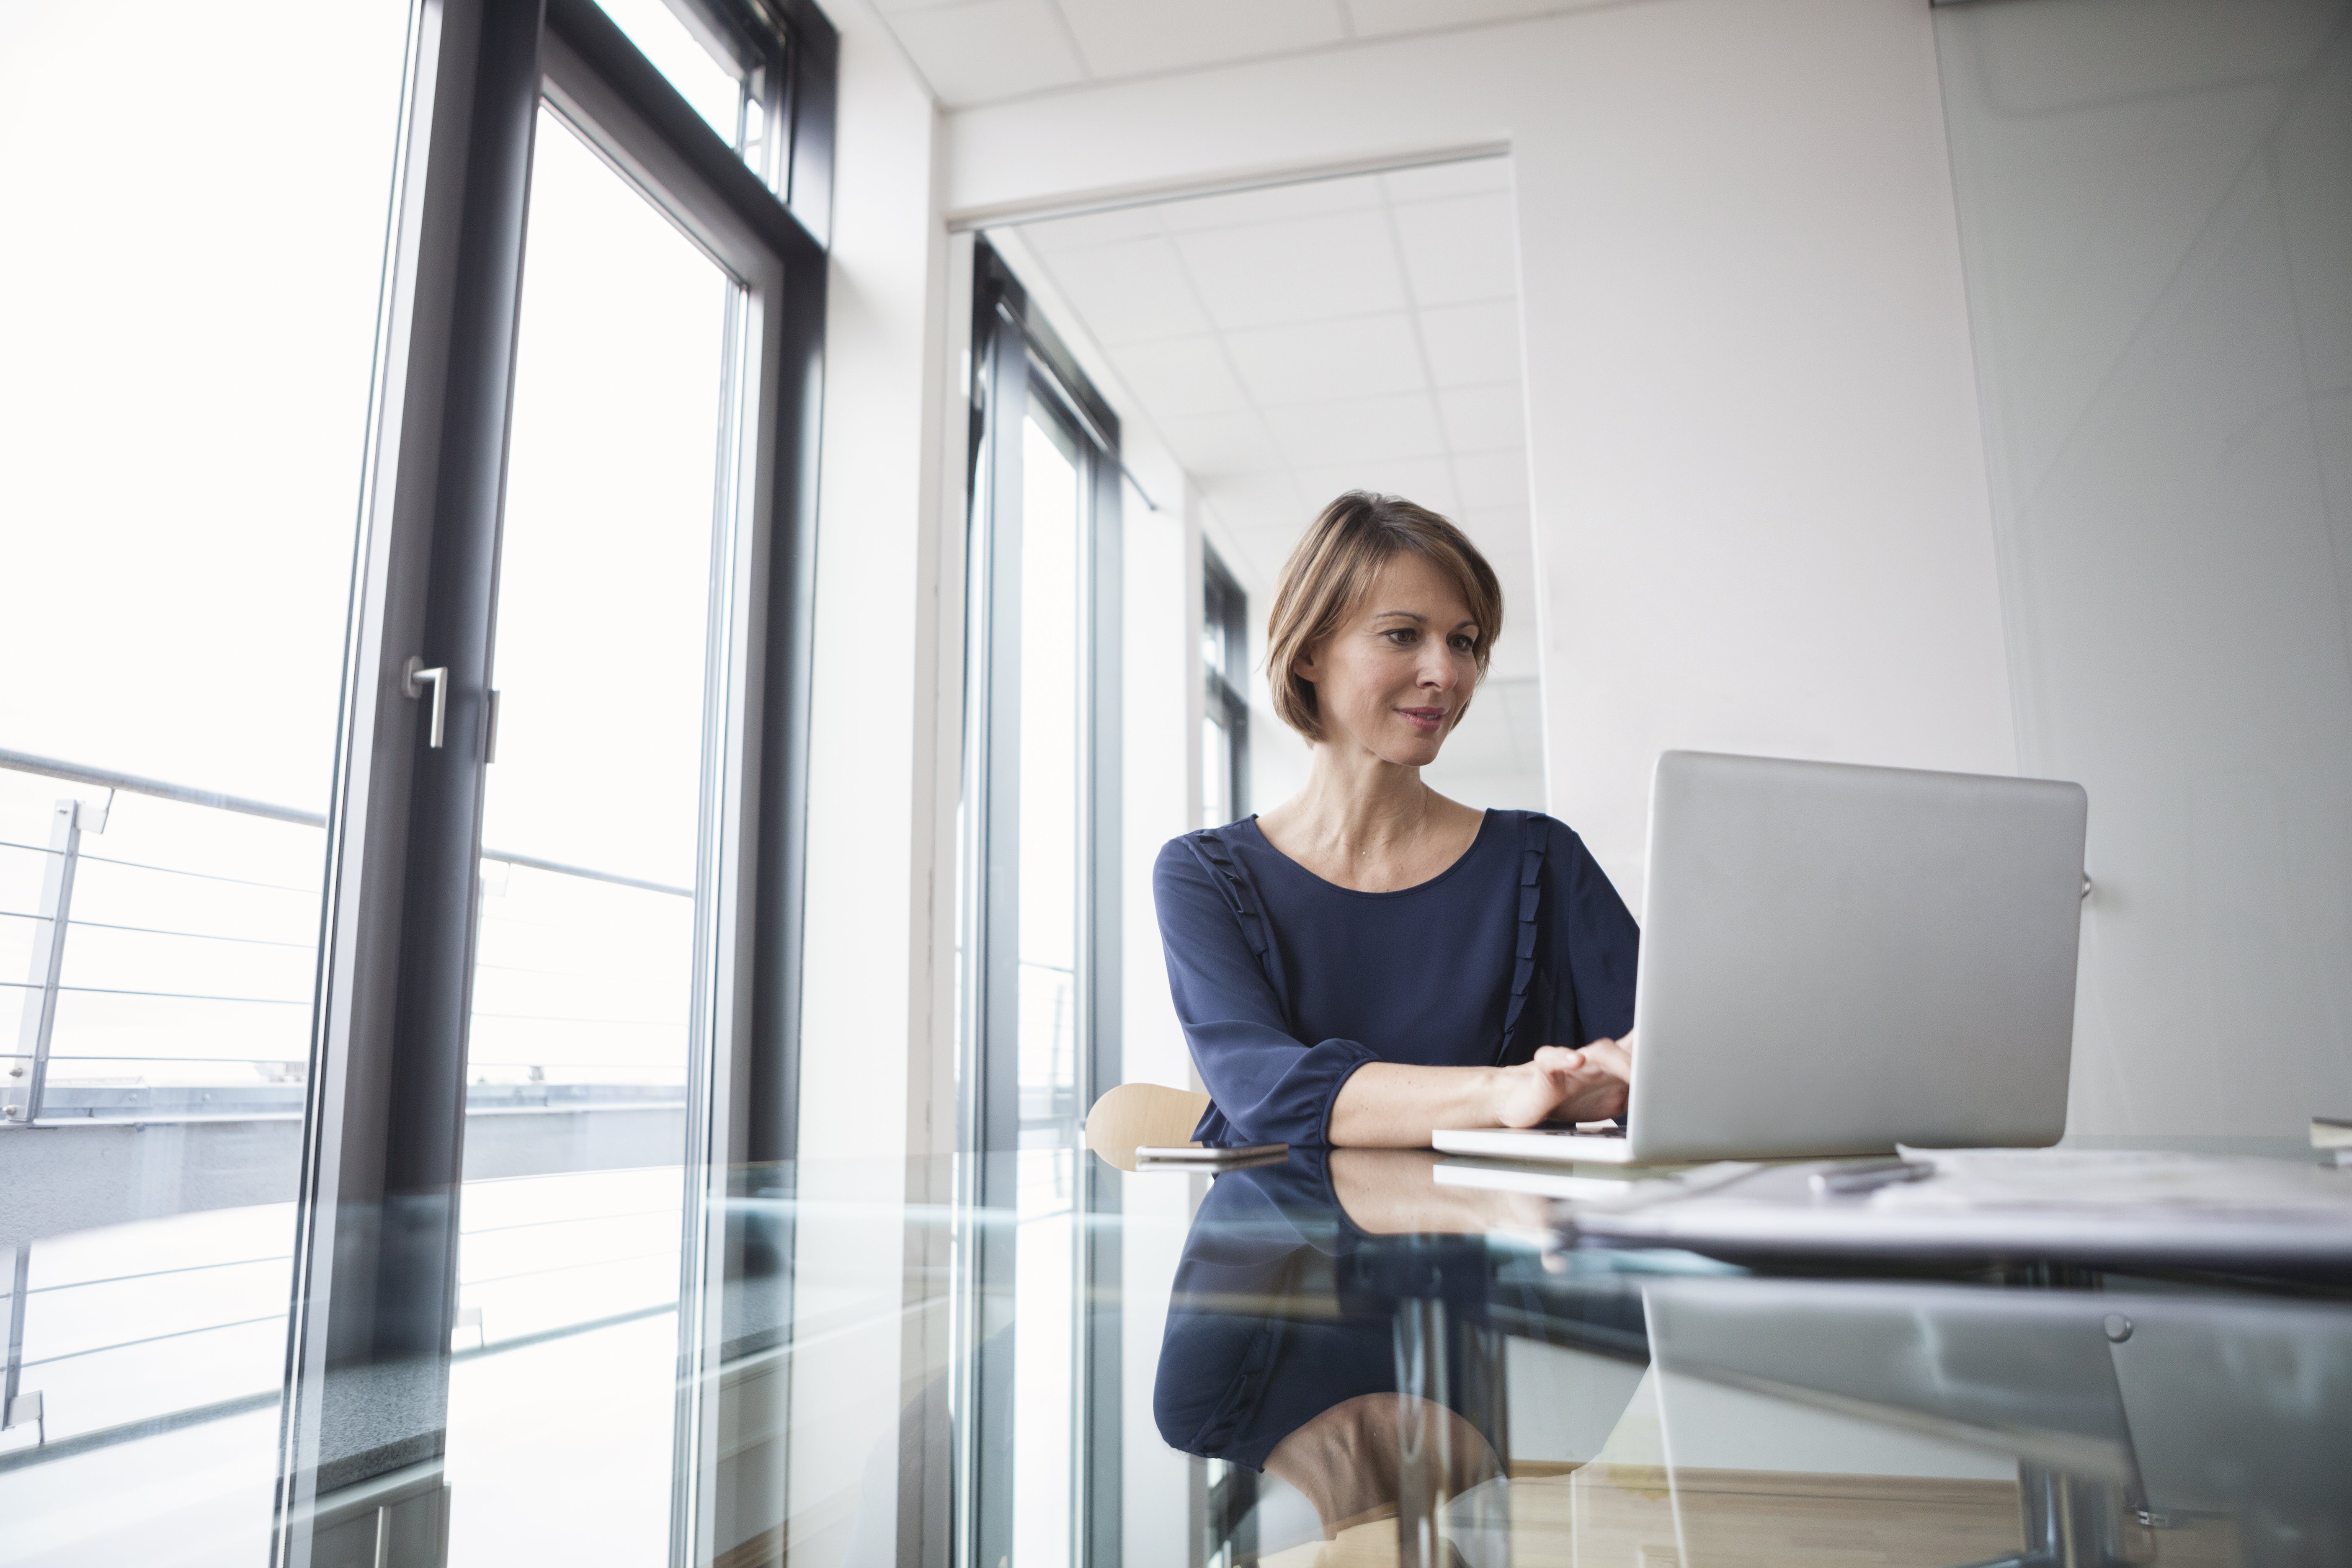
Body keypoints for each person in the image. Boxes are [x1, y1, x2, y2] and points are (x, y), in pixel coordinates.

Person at [1153, 491, 1638, 1149]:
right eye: (1403, 635)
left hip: (1506, 1242)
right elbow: (1264, 1089)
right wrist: (1508, 1091)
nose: (1446, 672)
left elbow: (1660, 1056)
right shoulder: (1204, 875)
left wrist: (1636, 1068)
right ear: (1308, 653)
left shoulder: (1545, 859)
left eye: (1463, 642)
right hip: (1288, 1246)